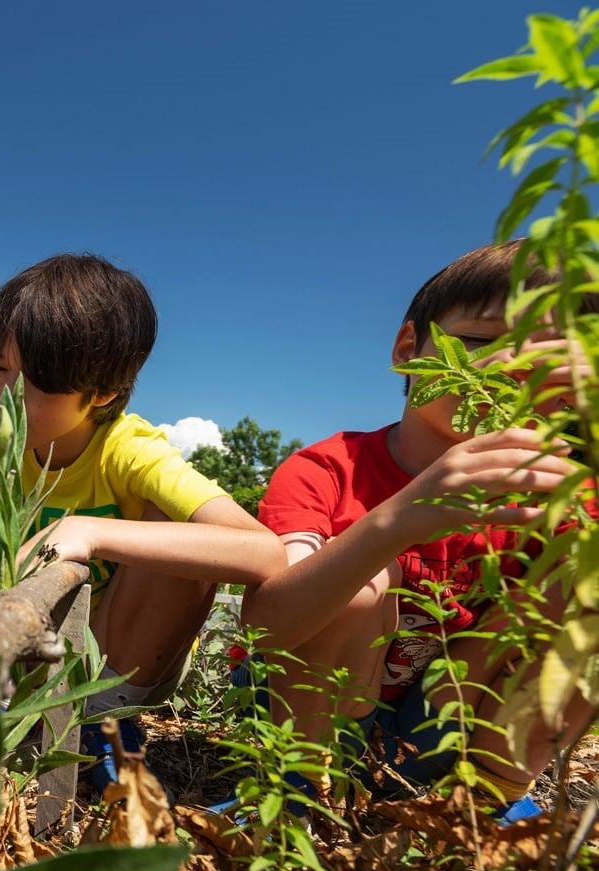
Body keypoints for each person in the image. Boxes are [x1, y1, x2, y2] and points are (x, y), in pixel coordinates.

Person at [239, 241, 593, 821]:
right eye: (480, 342)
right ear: (409, 348)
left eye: (546, 359)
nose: (508, 370)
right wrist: (398, 518)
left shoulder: (560, 491)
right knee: (361, 579)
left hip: (442, 728)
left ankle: (482, 803)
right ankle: (299, 793)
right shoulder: (328, 468)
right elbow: (266, 627)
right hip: (303, 709)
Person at [0, 253, 286, 788]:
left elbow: (265, 553)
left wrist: (94, 533)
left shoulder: (128, 449)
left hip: (119, 657)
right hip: (23, 652)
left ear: (101, 391)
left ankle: (103, 721)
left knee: (174, 516)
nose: (9, 396)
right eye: (0, 370)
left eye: (37, 381)